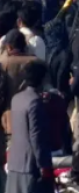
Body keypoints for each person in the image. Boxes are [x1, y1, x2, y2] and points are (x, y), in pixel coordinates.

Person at [7, 61, 52, 193]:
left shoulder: (16, 98)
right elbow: (36, 137)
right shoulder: (35, 102)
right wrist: (43, 165)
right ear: (42, 79)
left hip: (15, 163)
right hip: (31, 166)